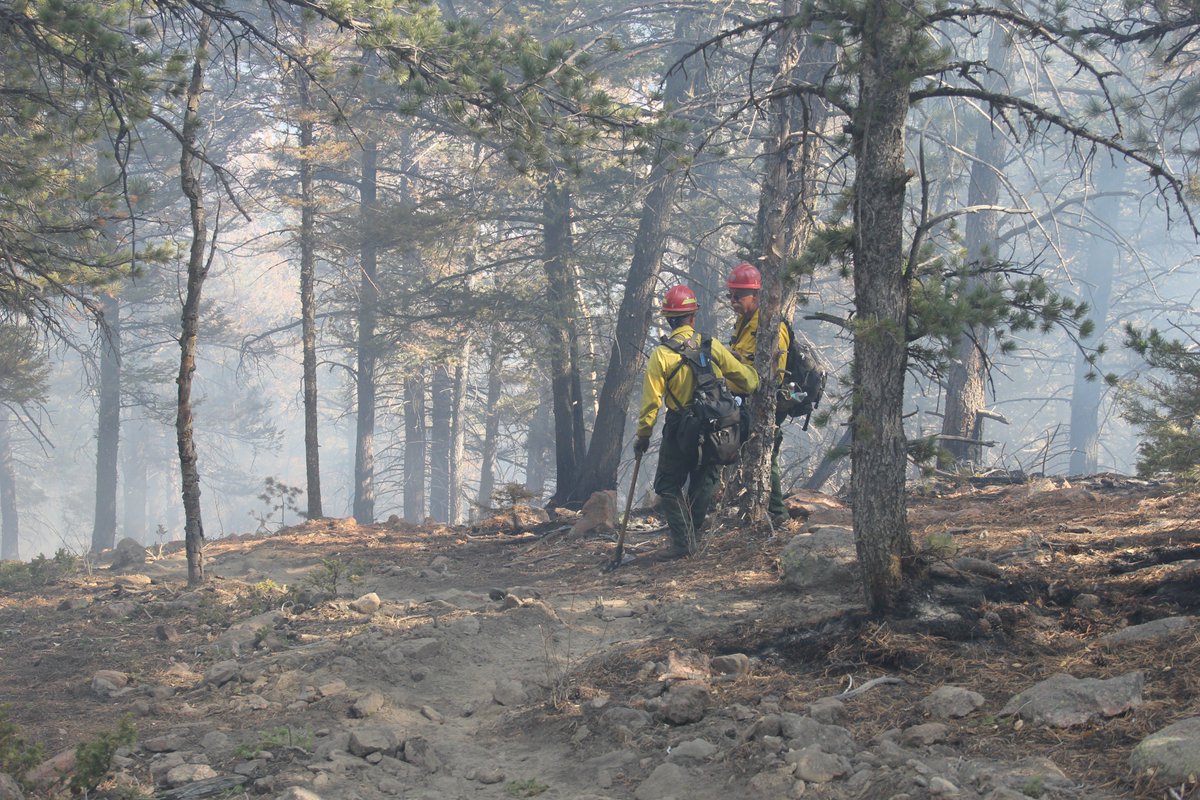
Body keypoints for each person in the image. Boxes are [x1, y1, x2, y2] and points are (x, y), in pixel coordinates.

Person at [634, 284, 759, 560]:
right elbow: (749, 381)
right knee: (705, 481)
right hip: (716, 427)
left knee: (668, 485)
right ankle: (693, 534)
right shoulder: (710, 344)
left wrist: (643, 435)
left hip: (680, 429)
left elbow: (652, 403)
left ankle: (683, 542)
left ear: (669, 319)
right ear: (692, 317)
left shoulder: (661, 355)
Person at [726, 261, 791, 524]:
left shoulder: (773, 326)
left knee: (767, 452)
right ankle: (754, 507)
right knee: (749, 452)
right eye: (730, 295)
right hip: (745, 400)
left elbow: (773, 373)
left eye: (738, 296)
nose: (733, 301)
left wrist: (733, 361)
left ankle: (776, 512)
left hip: (767, 402)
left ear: (756, 295)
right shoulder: (744, 321)